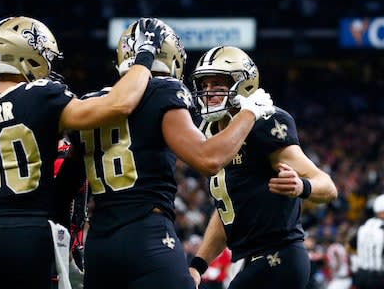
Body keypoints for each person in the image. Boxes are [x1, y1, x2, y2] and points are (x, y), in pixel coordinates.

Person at [0, 16, 165, 289]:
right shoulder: (40, 96)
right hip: (30, 238)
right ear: (29, 54)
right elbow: (120, 105)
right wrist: (145, 56)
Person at [68, 19, 275, 289]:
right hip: (147, 237)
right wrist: (250, 112)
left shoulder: (89, 103)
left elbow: (67, 185)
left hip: (99, 243)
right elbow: (208, 159)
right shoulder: (163, 90)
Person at [187, 46, 338, 289]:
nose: (208, 92)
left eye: (217, 84)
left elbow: (328, 187)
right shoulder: (208, 131)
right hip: (250, 259)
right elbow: (227, 210)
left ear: (243, 84)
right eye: (204, 85)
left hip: (279, 255)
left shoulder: (265, 121)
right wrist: (198, 264)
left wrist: (302, 186)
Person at [348, 194, 384, 289]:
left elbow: (351, 245)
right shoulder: (382, 228)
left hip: (360, 276)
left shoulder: (364, 226)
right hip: (379, 278)